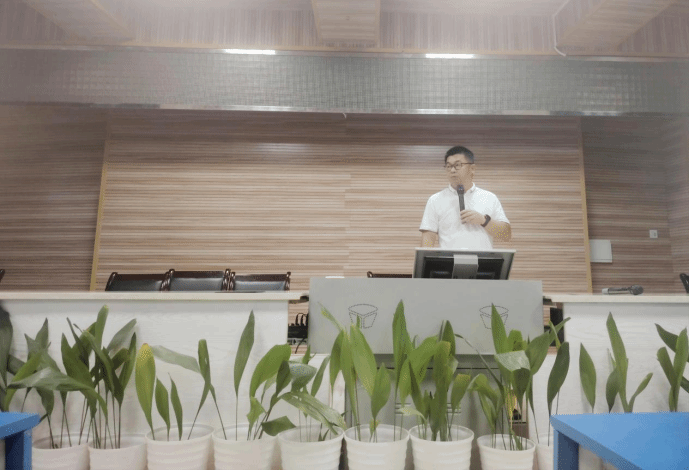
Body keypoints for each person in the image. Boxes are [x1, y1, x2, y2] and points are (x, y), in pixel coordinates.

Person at [420, 146, 511, 249]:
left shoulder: (490, 198)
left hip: (482, 259)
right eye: (448, 166)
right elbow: (427, 242)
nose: (452, 170)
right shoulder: (435, 200)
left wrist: (483, 220)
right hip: (449, 259)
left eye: (457, 165)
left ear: (472, 169)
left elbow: (505, 235)